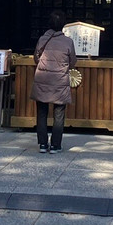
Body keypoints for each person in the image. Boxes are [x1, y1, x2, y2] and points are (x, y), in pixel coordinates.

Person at [31, 10, 76, 154]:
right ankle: (56, 145)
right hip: (59, 81)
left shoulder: (42, 39)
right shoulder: (68, 42)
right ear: (63, 25)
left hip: (42, 80)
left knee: (41, 112)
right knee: (59, 113)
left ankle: (43, 144)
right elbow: (73, 62)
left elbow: (36, 58)